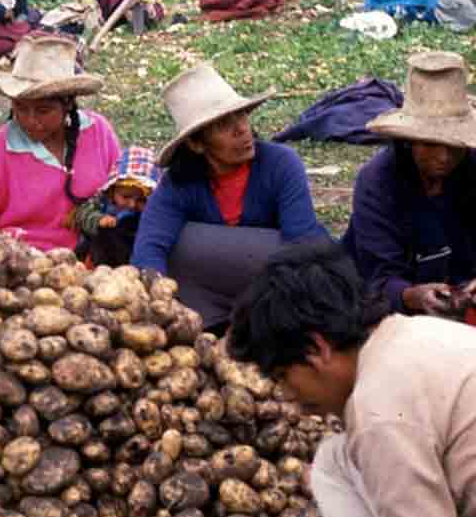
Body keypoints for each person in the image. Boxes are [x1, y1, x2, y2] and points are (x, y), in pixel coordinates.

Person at [228, 239, 476, 517]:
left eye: (283, 377)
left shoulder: (378, 407)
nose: (290, 398)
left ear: (318, 349)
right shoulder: (413, 333)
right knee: (336, 458)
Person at [131, 63, 326, 331]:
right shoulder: (179, 184)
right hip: (212, 294)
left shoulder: (281, 163)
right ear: (196, 144)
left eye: (242, 117)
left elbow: (301, 244)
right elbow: (148, 250)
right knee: (178, 244)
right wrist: (162, 304)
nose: (242, 130)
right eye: (224, 125)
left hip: (282, 284)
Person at [343, 51, 476, 319]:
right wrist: (411, 296)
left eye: (454, 146)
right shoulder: (377, 182)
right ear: (409, 141)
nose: (444, 157)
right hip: (392, 308)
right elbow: (378, 277)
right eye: (430, 144)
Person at [0, 36, 121, 252]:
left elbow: (120, 195)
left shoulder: (98, 132)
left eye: (43, 111)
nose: (31, 120)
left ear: (68, 104)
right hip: (17, 261)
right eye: (21, 108)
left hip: (92, 258)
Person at [76, 146, 162, 267]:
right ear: (112, 191)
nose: (132, 205)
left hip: (131, 262)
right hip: (98, 260)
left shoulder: (152, 213)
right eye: (126, 197)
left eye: (141, 200)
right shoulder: (101, 202)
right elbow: (81, 214)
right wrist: (98, 219)